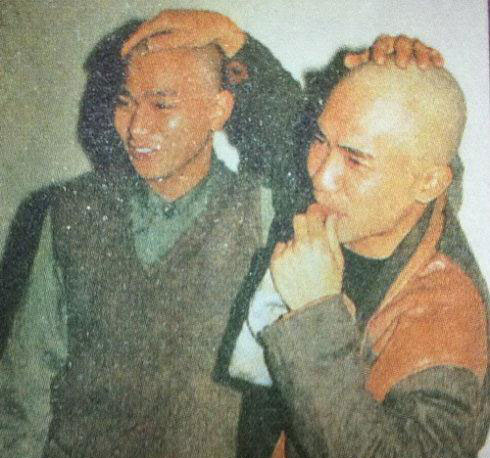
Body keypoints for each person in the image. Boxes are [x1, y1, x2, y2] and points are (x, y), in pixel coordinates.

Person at [0, 10, 443, 458]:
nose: (136, 127)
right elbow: (22, 391)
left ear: (219, 110)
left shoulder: (269, 216)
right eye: (125, 102)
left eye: (162, 105)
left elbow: (389, 193)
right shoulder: (70, 210)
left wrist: (394, 75)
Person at [126, 10, 490, 458]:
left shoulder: (449, 316)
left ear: (429, 182)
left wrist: (315, 314)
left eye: (355, 160)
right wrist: (234, 45)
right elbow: (284, 128)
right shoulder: (356, 207)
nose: (321, 176)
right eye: (321, 141)